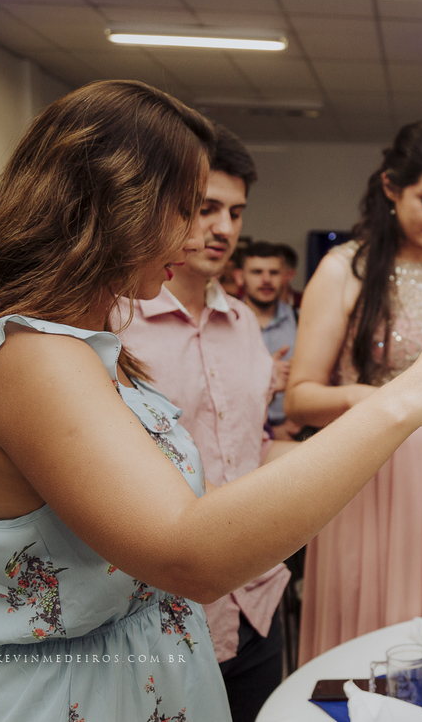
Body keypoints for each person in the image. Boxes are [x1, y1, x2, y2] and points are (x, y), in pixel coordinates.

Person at [0, 80, 422, 722]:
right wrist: (406, 399)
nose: (197, 233)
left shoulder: (77, 343)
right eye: (184, 206)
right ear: (117, 204)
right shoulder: (33, 355)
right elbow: (190, 553)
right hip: (74, 692)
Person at [285, 120, 422, 662]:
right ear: (390, 188)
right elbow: (299, 397)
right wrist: (372, 400)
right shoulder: (342, 269)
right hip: (374, 463)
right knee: (373, 618)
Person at [113, 125, 295, 722]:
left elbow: (251, 445)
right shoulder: (115, 322)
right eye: (205, 208)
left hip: (256, 597)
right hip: (163, 607)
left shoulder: (244, 322)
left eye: (236, 212)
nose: (224, 228)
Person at [238, 240, 300, 439]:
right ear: (240, 277)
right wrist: (266, 373)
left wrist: (297, 423)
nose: (266, 279)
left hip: (294, 431)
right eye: (257, 272)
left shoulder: (302, 319)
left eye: (273, 273)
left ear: (284, 278)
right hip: (243, 433)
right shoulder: (223, 322)